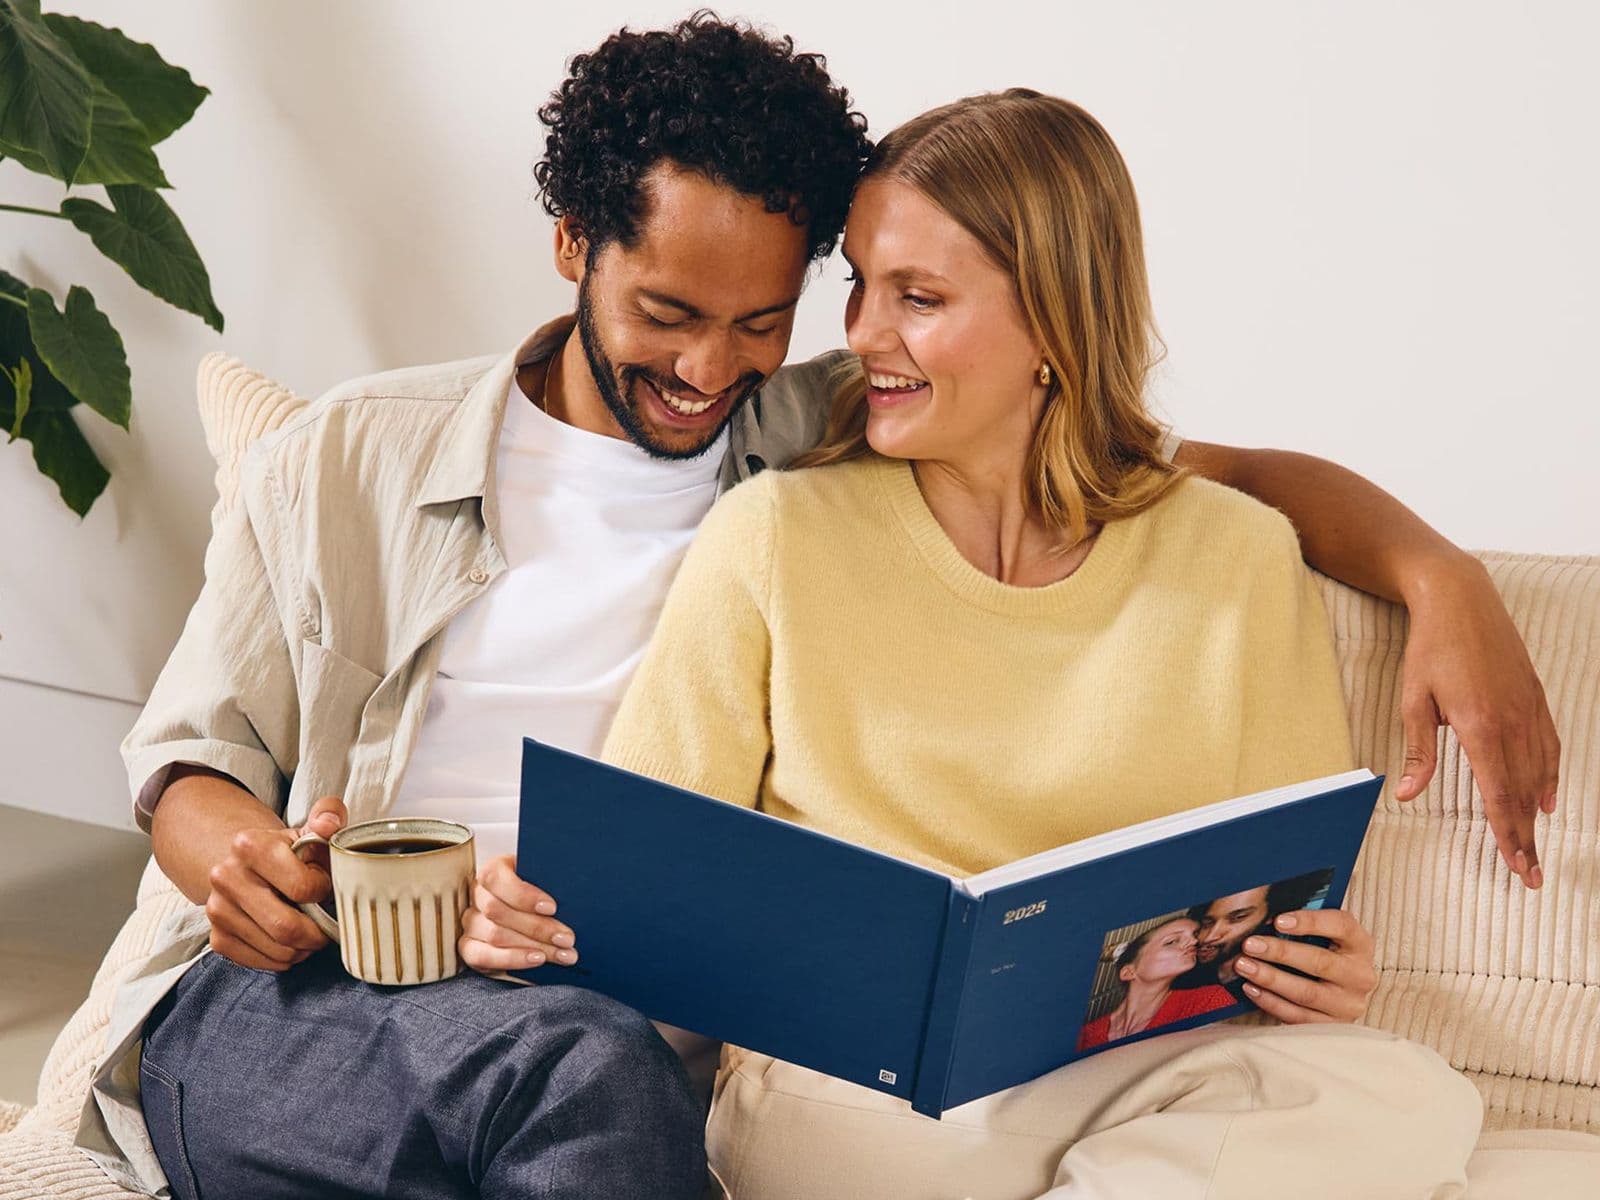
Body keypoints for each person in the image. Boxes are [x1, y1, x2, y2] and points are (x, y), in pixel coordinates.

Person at [84, 14, 1556, 1200]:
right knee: (585, 1089)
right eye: (667, 313)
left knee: (593, 1084)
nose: (712, 371)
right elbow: (188, 757)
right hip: (343, 970)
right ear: (570, 246)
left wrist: (1438, 575)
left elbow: (1149, 472)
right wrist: (265, 866)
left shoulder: (827, 422)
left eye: (763, 319)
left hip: (581, 1001)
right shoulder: (353, 453)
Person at [595, 88, 1486, 1198]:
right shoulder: (774, 536)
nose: (864, 333)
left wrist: (1308, 975)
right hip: (856, 1093)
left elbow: (1273, 911)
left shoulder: (1239, 557)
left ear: (1056, 325)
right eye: (861, 286)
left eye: (917, 297)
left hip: (1139, 1073)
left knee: (1400, 1088)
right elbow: (635, 891)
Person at [1077, 917, 1236, 1051]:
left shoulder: (1207, 1002)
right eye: (1172, 941)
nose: (1194, 941)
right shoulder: (1087, 1036)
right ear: (1129, 972)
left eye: (1194, 936)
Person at [1179, 870, 1334, 1001]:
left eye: (1237, 918)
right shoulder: (1183, 974)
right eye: (1208, 922)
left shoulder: (1288, 976)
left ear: (1270, 916)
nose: (1210, 936)